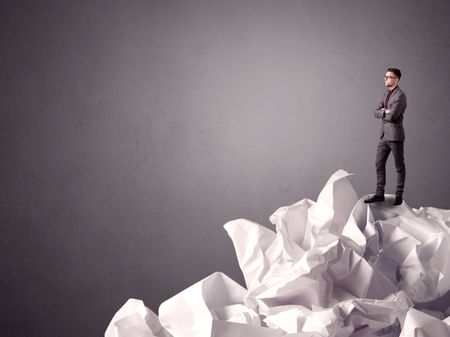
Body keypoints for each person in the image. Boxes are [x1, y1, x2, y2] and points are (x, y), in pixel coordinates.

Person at [365, 68, 407, 206]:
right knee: (379, 164)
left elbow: (393, 116)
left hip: (395, 136)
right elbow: (375, 112)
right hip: (384, 136)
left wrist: (385, 111)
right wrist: (384, 111)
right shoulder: (385, 94)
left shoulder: (400, 96)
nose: (385, 79)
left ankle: (399, 195)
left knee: (399, 166)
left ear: (396, 79)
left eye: (389, 77)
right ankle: (379, 194)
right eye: (385, 76)